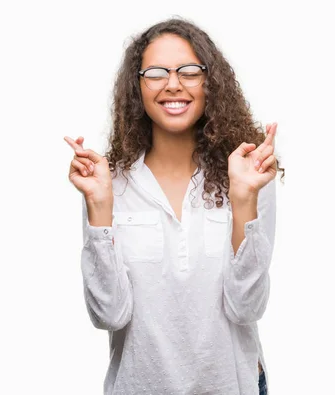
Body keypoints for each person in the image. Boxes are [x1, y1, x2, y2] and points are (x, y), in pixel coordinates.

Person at [64, 17, 283, 395]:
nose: (173, 84)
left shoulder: (247, 175)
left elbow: (246, 308)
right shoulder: (108, 182)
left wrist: (243, 199)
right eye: (155, 73)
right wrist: (99, 205)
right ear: (137, 87)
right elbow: (108, 314)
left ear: (209, 82)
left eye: (189, 70)